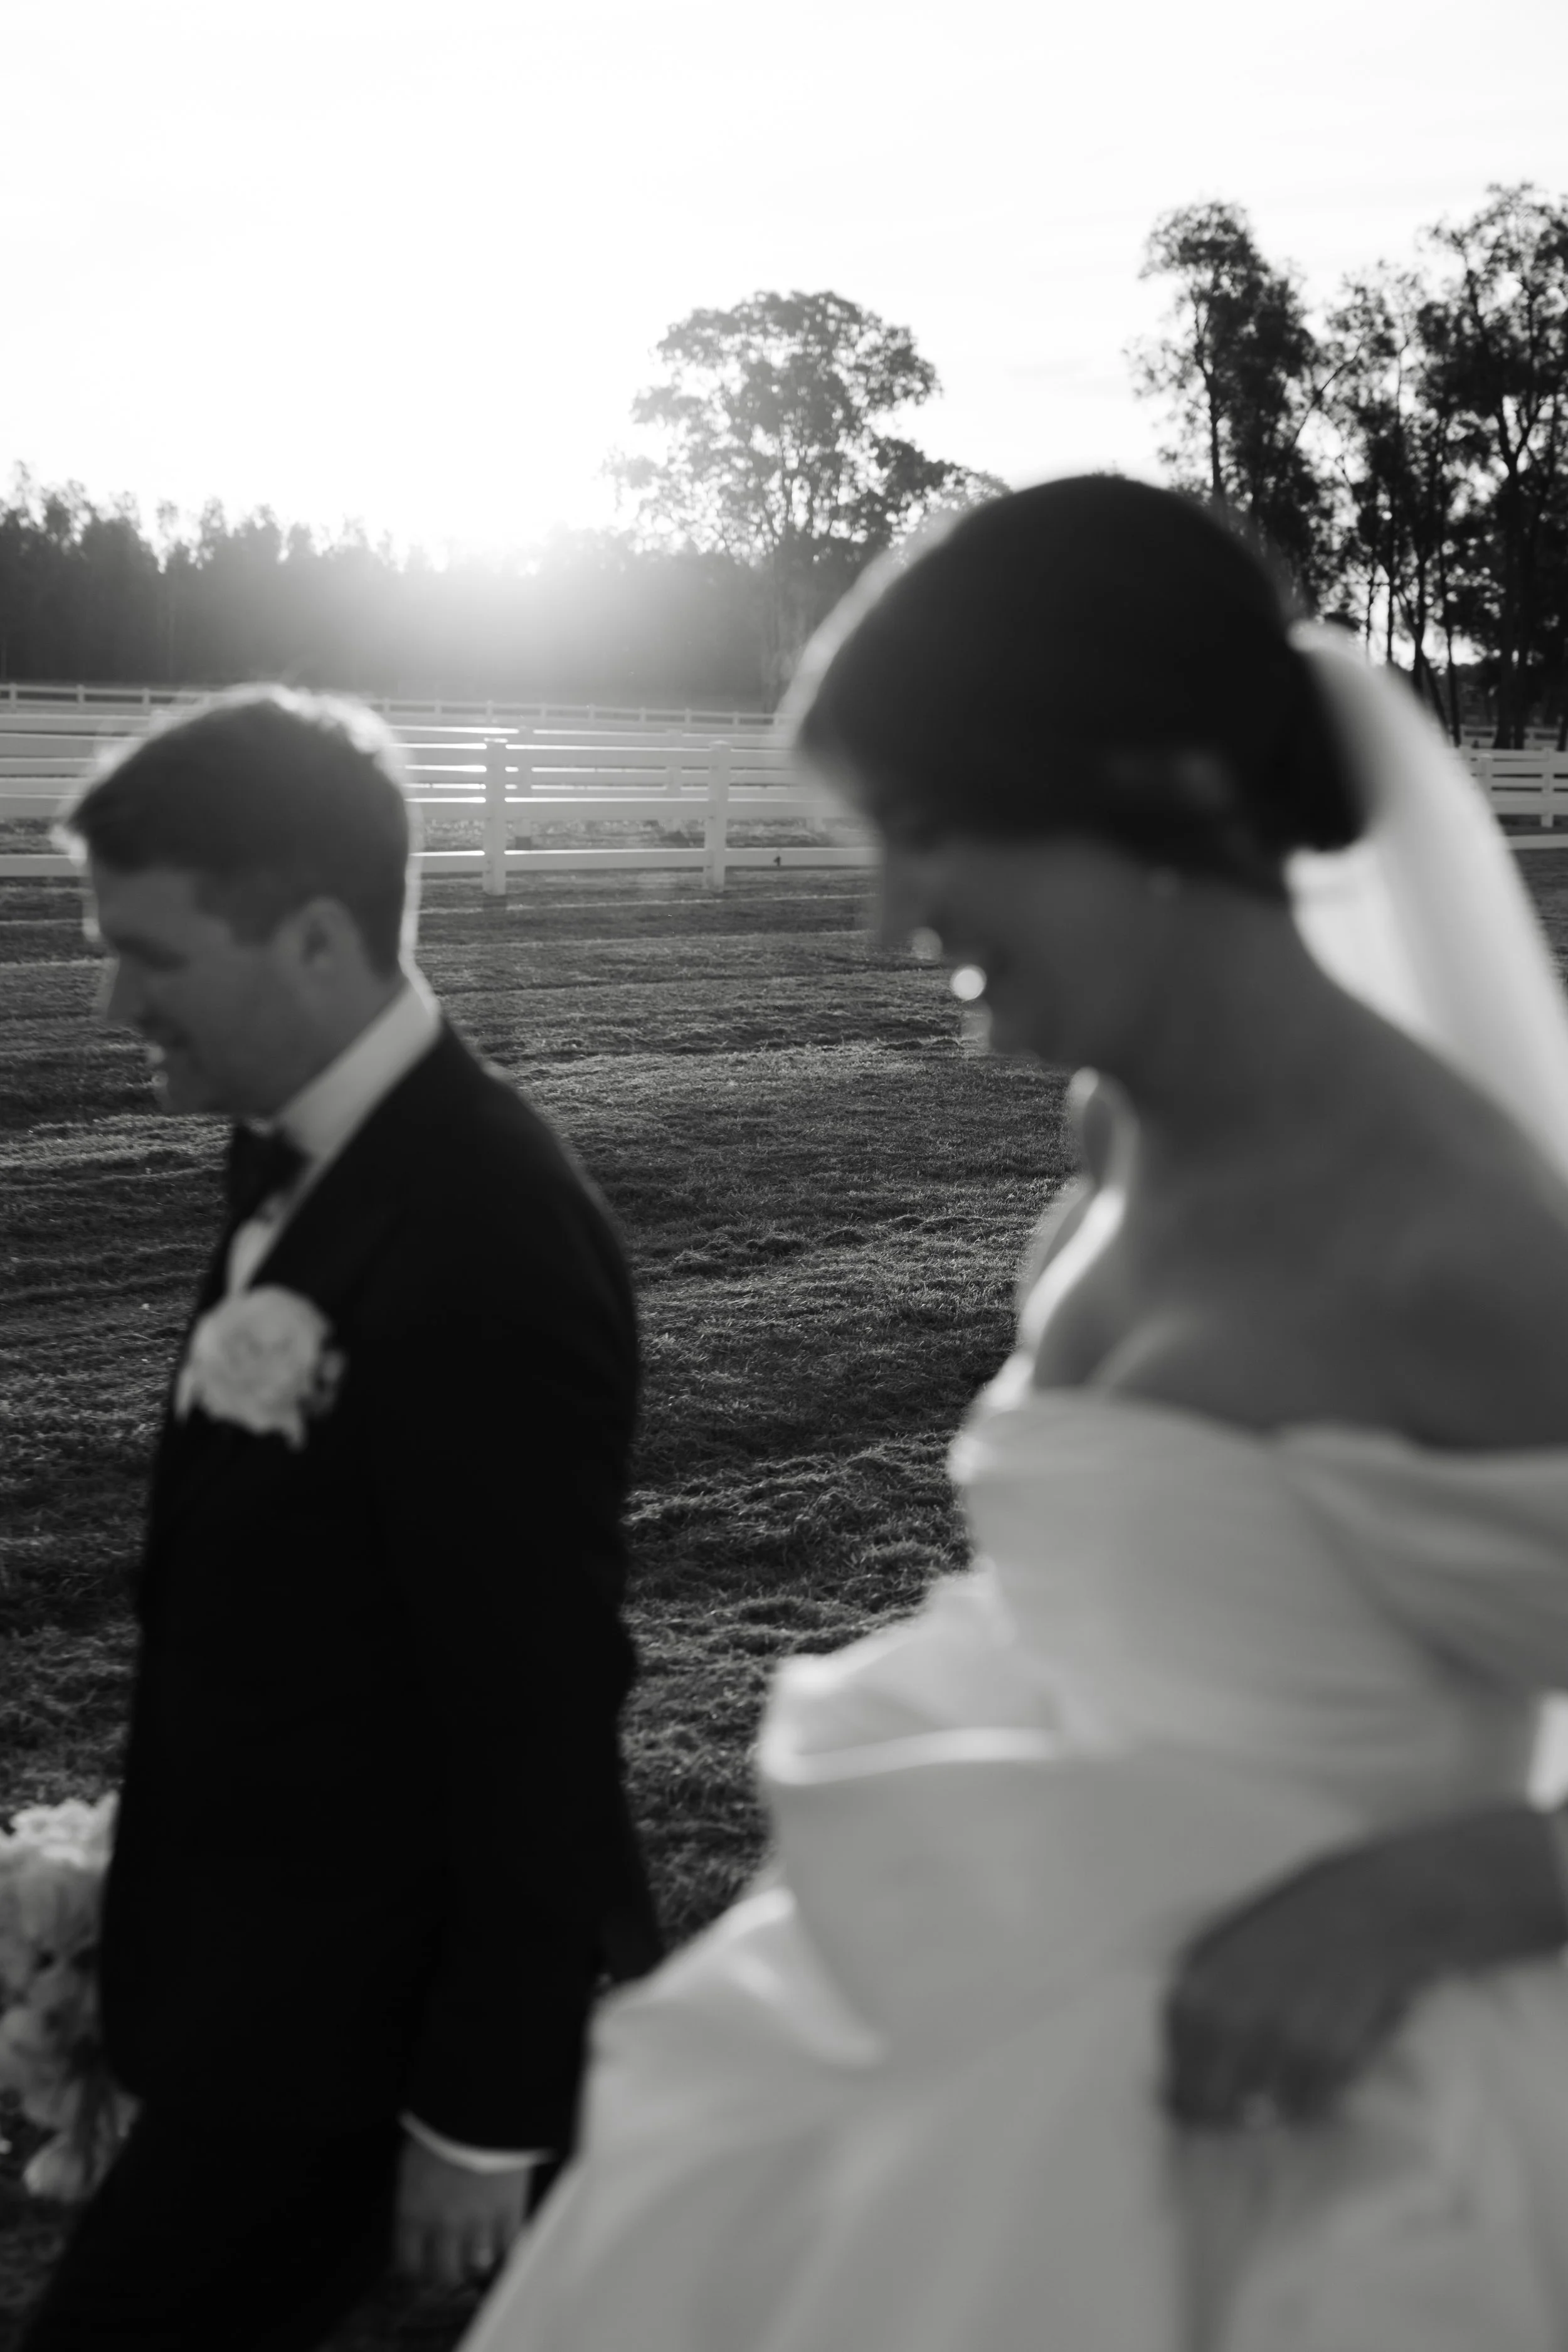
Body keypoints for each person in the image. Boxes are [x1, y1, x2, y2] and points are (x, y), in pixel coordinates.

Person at [464, 477, 1568, 2352]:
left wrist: (1434, 1888)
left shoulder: (1456, 1241)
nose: (893, 916)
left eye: (927, 831)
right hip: (1014, 1992)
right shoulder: (1109, 1136)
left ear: (1146, 784)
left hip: (1324, 2137)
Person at [22, 687, 661, 2352]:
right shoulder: (306, 1155)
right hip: (269, 1991)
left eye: (149, 953)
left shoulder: (485, 1237)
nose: (113, 997)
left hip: (366, 2038)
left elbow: (536, 1709)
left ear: (313, 939)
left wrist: (481, 2111)